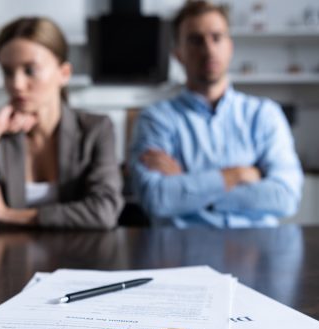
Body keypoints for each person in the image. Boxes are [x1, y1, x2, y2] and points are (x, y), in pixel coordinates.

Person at [129, 1, 303, 228]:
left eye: (217, 37)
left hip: (257, 252)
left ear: (230, 46)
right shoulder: (155, 120)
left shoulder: (264, 115)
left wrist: (188, 187)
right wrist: (237, 175)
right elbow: (157, 198)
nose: (208, 49)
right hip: (182, 252)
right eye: (195, 40)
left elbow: (286, 197)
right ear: (178, 54)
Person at [0, 17, 123, 230]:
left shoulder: (96, 129)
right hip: (12, 259)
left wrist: (8, 215)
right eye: (7, 72)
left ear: (64, 74)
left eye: (30, 70)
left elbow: (104, 212)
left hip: (77, 256)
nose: (16, 84)